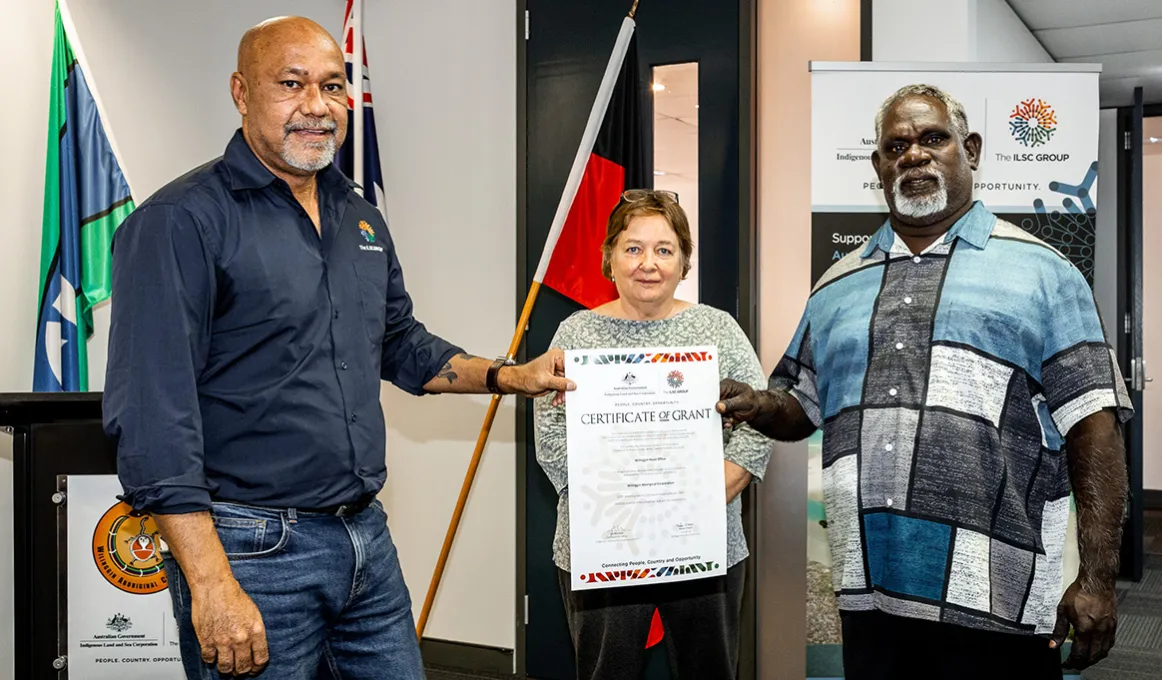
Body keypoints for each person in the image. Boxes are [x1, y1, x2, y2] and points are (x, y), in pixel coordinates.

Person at [102, 16, 572, 679]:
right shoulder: (179, 222)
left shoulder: (358, 217)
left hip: (364, 543)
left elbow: (401, 344)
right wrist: (210, 584)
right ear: (241, 92)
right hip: (249, 550)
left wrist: (509, 376)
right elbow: (153, 418)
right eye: (291, 84)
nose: (316, 105)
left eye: (331, 85)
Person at [718, 84, 1132, 679]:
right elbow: (803, 406)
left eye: (933, 139)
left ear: (971, 149)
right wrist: (758, 403)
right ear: (878, 165)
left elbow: (1094, 426)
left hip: (998, 596)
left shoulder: (1045, 272)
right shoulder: (837, 282)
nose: (914, 155)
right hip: (871, 588)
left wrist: (1097, 578)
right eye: (897, 145)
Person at [533, 189, 772, 680]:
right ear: (610, 258)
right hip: (602, 542)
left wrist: (710, 492)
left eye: (665, 249)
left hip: (706, 542)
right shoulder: (575, 333)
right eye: (633, 248)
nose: (649, 263)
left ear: (684, 261)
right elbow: (552, 439)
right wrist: (624, 507)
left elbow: (759, 421)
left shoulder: (718, 329)